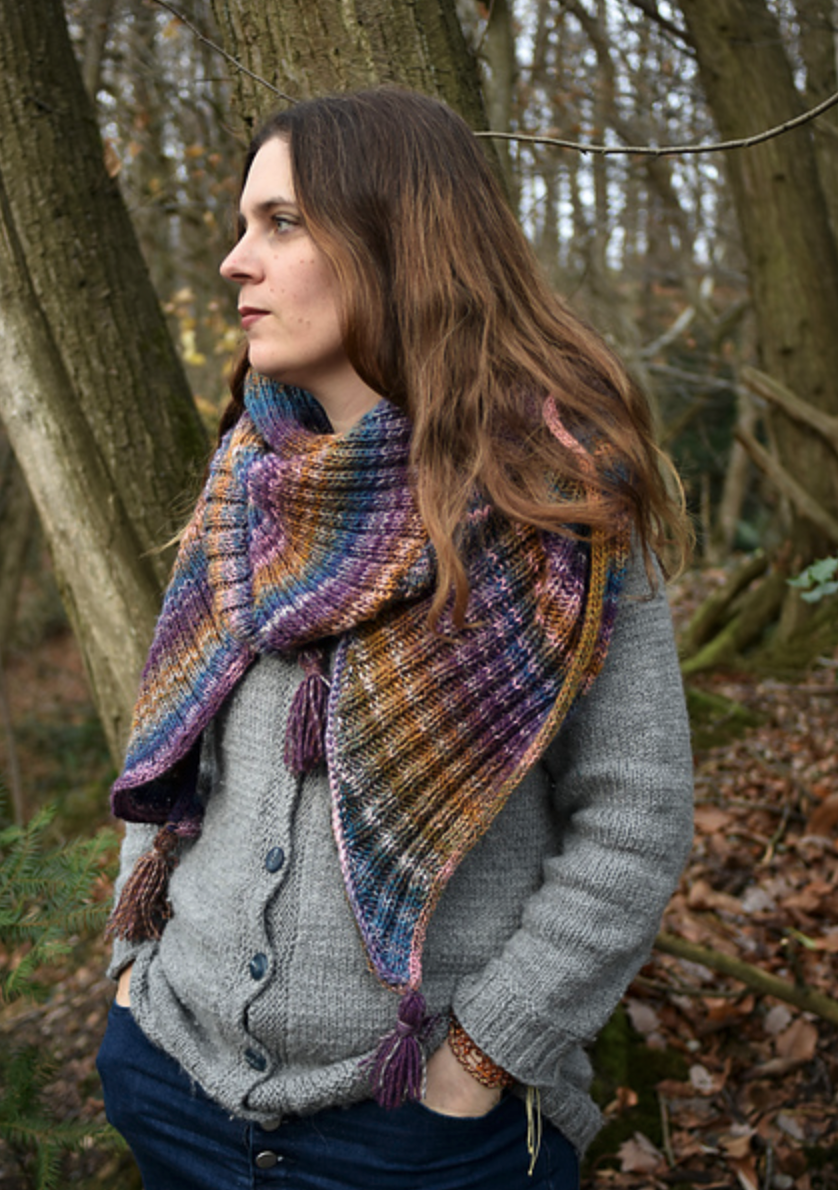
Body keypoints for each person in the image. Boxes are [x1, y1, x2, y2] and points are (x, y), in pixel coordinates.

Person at [96, 87, 694, 1190]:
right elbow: (172, 738)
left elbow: (634, 817)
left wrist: (481, 1059)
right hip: (174, 1084)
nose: (234, 260)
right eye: (242, 224)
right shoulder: (247, 481)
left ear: (396, 242)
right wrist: (134, 973)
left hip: (420, 1140)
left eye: (281, 223)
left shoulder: (555, 506)